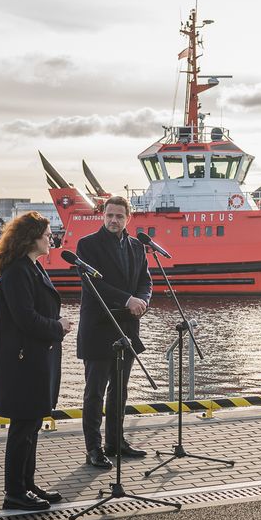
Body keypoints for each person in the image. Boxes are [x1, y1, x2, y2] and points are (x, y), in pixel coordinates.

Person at [0, 212, 72, 511]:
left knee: (32, 425)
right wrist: (58, 326)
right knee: (23, 428)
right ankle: (14, 492)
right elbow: (25, 319)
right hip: (22, 363)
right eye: (47, 234)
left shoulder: (32, 268)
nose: (51, 238)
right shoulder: (17, 272)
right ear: (31, 238)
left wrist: (56, 325)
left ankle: (27, 484)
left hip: (35, 360)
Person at [77, 196, 152, 468]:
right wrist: (127, 300)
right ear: (103, 215)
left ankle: (115, 441)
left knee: (120, 390)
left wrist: (143, 300)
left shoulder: (136, 246)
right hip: (99, 327)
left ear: (128, 218)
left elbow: (146, 279)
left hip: (127, 327)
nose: (113, 220)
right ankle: (93, 449)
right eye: (109, 215)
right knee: (94, 392)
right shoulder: (87, 246)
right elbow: (93, 287)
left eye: (119, 216)